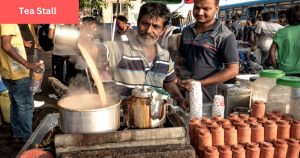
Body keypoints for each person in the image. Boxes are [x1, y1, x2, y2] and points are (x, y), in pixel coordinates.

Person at [78, 2, 187, 108]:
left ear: (163, 30)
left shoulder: (165, 56)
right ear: (138, 22)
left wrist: (180, 99)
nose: (149, 30)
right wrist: (81, 36)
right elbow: (92, 51)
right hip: (125, 119)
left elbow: (169, 83)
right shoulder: (120, 49)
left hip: (155, 118)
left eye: (155, 26)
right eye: (145, 24)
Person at [176, 0, 239, 103]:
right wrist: (177, 77)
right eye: (197, 7)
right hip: (183, 95)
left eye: (206, 9)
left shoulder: (225, 36)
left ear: (216, 9)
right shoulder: (186, 31)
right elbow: (180, 57)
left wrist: (198, 84)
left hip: (207, 98)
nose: (200, 12)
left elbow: (233, 70)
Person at [0, 24, 42, 143]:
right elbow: (6, 44)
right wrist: (26, 63)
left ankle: (17, 134)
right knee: (26, 105)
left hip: (7, 71)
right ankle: (26, 138)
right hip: (17, 72)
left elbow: (8, 38)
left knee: (15, 104)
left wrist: (22, 42)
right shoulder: (8, 18)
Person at [269, 5, 300, 76]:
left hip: (284, 71)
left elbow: (271, 52)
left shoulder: (280, 32)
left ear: (287, 18)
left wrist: (276, 67)